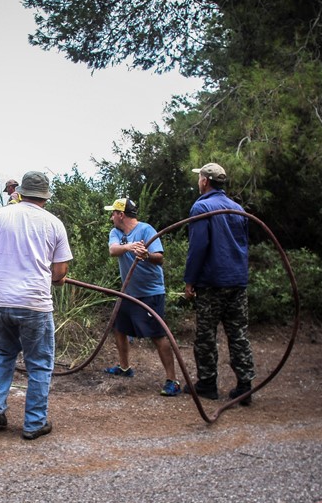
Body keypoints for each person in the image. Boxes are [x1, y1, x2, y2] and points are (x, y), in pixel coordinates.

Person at [0, 171, 73, 440]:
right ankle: (34, 422)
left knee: (4, 353)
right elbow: (60, 272)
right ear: (45, 197)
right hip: (34, 303)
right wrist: (56, 279)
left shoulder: (0, 215)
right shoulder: (54, 223)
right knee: (38, 362)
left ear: (21, 192)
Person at [183, 162, 254, 405]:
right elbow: (243, 245)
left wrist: (189, 280)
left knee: (206, 336)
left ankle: (207, 384)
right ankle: (245, 387)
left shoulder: (201, 207)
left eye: (199, 177)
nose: (198, 181)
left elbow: (198, 247)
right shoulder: (237, 208)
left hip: (212, 282)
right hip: (237, 281)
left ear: (205, 181)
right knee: (238, 334)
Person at [103, 198, 181, 396]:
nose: (111, 216)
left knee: (157, 335)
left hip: (150, 293)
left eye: (113, 213)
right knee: (119, 329)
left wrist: (146, 254)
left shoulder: (147, 230)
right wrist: (130, 247)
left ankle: (172, 380)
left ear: (121, 214)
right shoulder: (116, 233)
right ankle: (124, 368)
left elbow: (159, 258)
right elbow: (113, 250)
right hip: (127, 292)